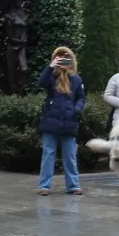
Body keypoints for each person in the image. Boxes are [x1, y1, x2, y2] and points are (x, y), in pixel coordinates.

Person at [36, 46, 85, 196]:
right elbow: (40, 83)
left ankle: (73, 185)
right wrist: (50, 67)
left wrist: (76, 110)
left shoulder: (76, 79)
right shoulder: (52, 76)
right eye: (59, 57)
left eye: (66, 57)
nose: (63, 60)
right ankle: (44, 186)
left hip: (69, 121)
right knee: (48, 154)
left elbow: (81, 97)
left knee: (70, 155)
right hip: (51, 120)